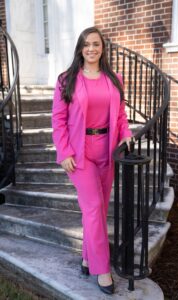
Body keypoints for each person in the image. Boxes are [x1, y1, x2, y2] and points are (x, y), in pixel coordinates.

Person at [52, 26, 132, 295]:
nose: (91, 49)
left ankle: (87, 257)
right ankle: (102, 268)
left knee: (96, 210)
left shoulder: (114, 78)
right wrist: (64, 152)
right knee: (94, 206)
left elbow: (120, 115)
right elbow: (58, 120)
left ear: (102, 48)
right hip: (79, 154)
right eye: (86, 44)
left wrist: (126, 135)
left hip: (106, 151)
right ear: (80, 48)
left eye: (96, 44)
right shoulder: (67, 80)